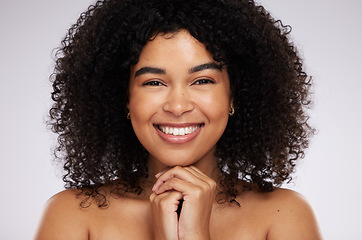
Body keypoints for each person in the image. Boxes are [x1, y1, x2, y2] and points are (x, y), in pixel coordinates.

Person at [35, 0, 322, 239]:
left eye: (202, 80)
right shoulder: (74, 215)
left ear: (234, 96)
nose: (177, 106)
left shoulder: (284, 217)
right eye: (154, 83)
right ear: (124, 98)